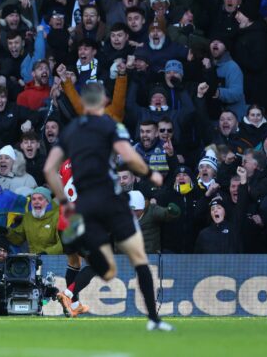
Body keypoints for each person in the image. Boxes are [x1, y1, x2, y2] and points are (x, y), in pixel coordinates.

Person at [44, 82, 173, 331]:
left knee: (91, 264)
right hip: (110, 201)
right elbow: (131, 156)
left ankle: (74, 296)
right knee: (138, 258)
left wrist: (63, 203)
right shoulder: (110, 126)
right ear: (103, 100)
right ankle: (154, 320)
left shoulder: (70, 132)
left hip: (81, 209)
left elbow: (49, 169)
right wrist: (151, 175)